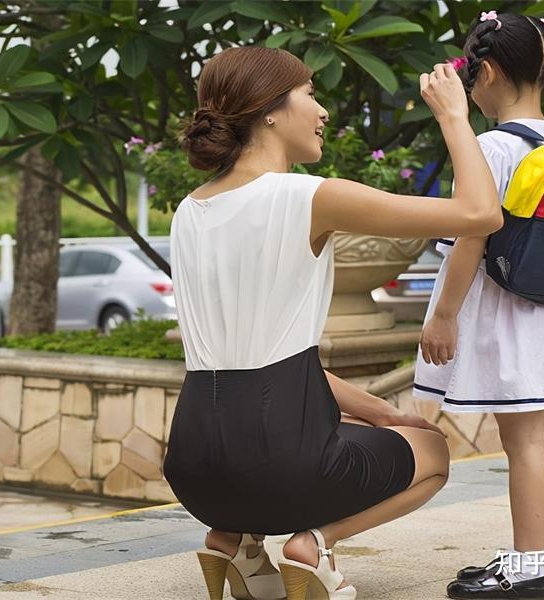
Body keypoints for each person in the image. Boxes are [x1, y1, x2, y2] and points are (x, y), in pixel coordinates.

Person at [162, 45, 502, 600]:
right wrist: (452, 116)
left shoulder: (189, 210)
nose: (322, 112)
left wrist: (384, 414)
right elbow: (481, 214)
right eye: (311, 95)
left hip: (194, 467)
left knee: (370, 436)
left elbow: (265, 358)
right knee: (434, 453)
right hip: (279, 463)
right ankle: (313, 546)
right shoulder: (311, 197)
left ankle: (235, 540)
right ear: (269, 110)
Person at [413, 12, 544, 600]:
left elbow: (470, 235)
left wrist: (445, 315)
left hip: (506, 316)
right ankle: (534, 557)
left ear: (491, 72)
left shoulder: (490, 147)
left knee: (524, 444)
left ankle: (529, 569)